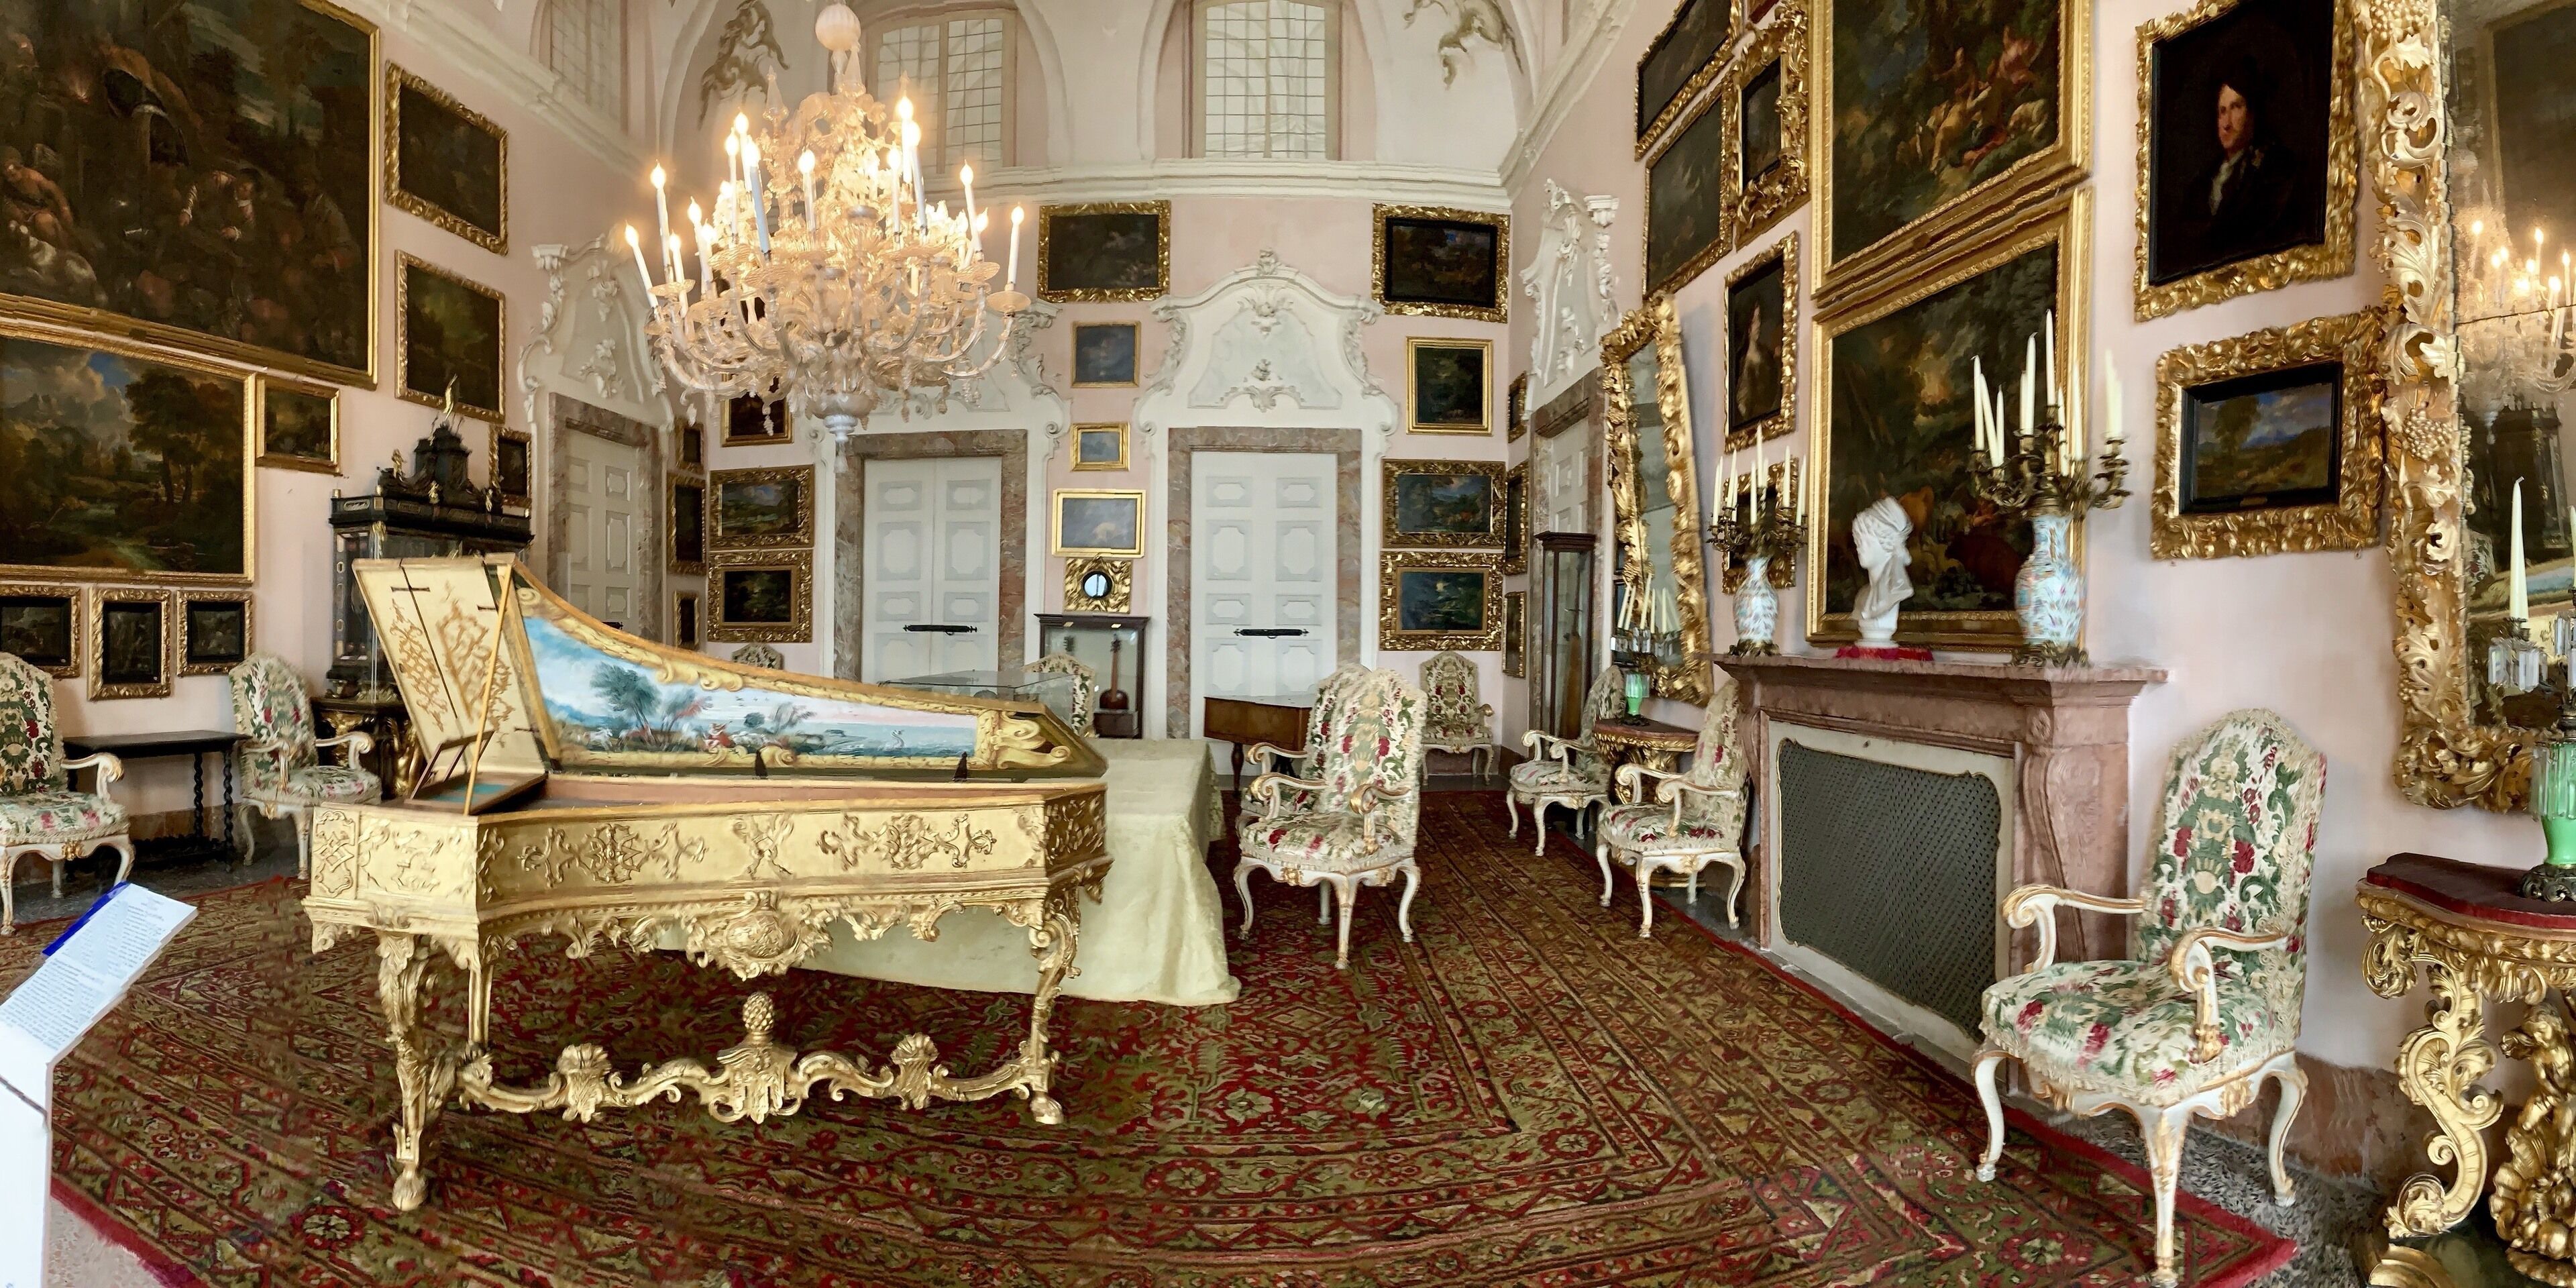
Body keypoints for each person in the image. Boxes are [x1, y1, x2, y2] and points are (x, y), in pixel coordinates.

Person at [2177, 56, 2306, 269]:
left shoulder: (2275, 168)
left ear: (2253, 112)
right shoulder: (2202, 182)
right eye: (2222, 111)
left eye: (2236, 107)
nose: (2226, 124)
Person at [1849, 496, 1915, 646]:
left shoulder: (1897, 589)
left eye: (1865, 540)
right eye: (1858, 540)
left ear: (1887, 543)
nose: (1859, 546)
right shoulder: (1862, 596)